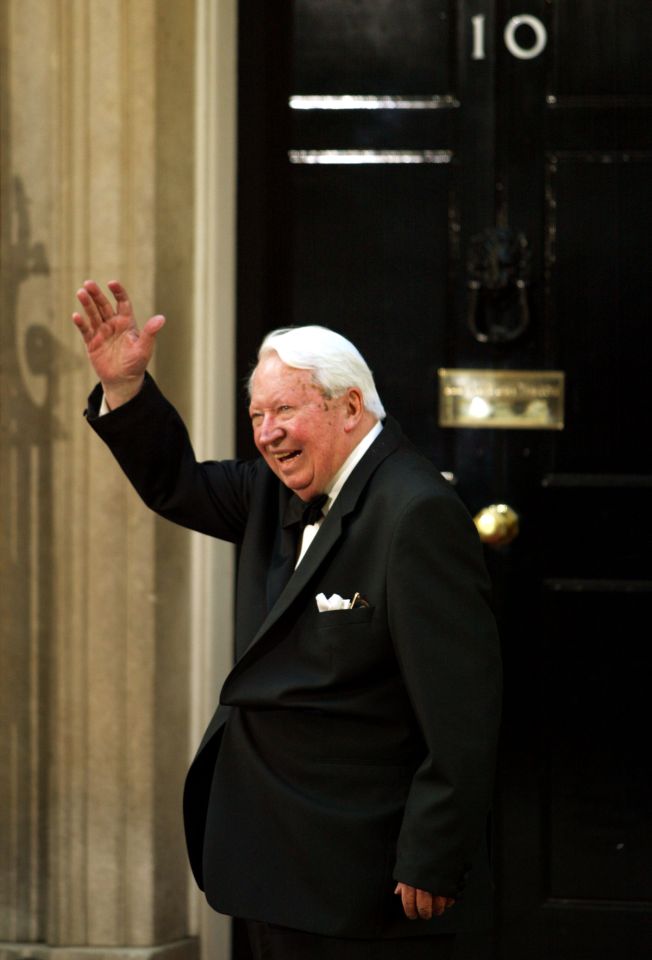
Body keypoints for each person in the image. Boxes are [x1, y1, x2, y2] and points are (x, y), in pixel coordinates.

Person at [73, 279, 502, 960]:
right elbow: (176, 482)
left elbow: (463, 709)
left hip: (363, 877)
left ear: (350, 408)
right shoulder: (275, 491)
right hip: (272, 860)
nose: (267, 434)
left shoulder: (414, 513)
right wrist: (127, 389)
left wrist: (435, 851)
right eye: (255, 415)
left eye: (284, 411)